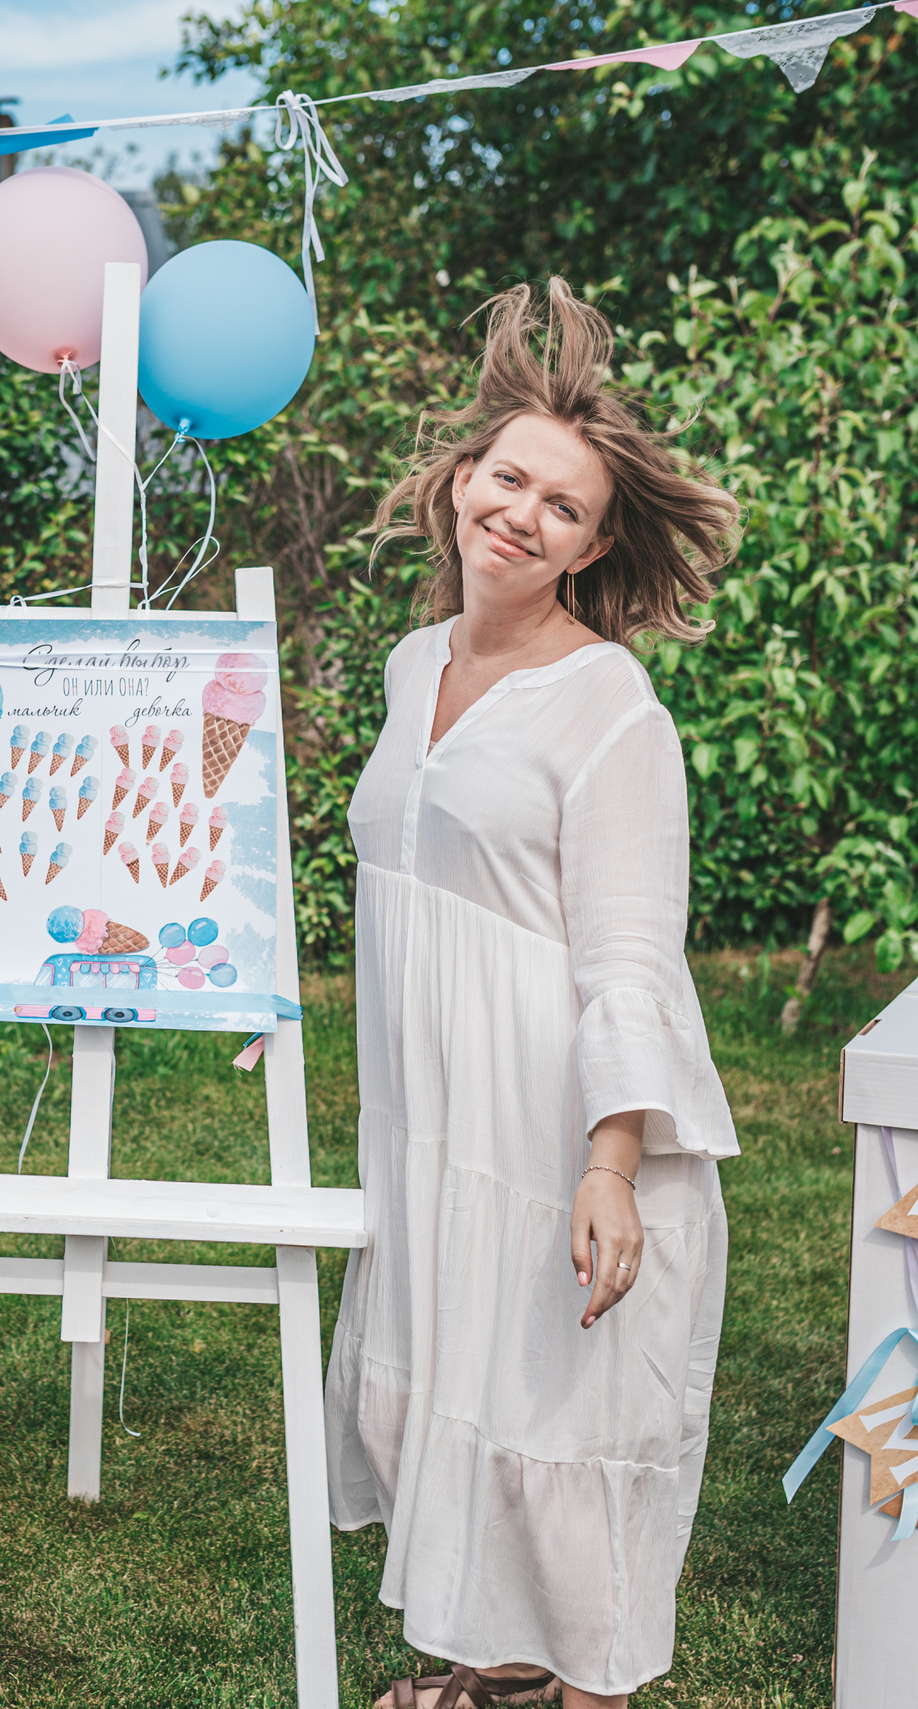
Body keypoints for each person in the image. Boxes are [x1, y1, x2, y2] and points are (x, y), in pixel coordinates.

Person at [328, 279, 746, 1709]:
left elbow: (630, 950)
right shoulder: (408, 666)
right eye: (509, 477)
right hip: (436, 1119)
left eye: (561, 507)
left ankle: (584, 1687)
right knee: (454, 1378)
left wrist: (613, 1162)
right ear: (462, 479)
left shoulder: (610, 703)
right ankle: (489, 1667)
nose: (521, 513)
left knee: (560, 1408)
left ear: (593, 542)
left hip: (557, 1127)